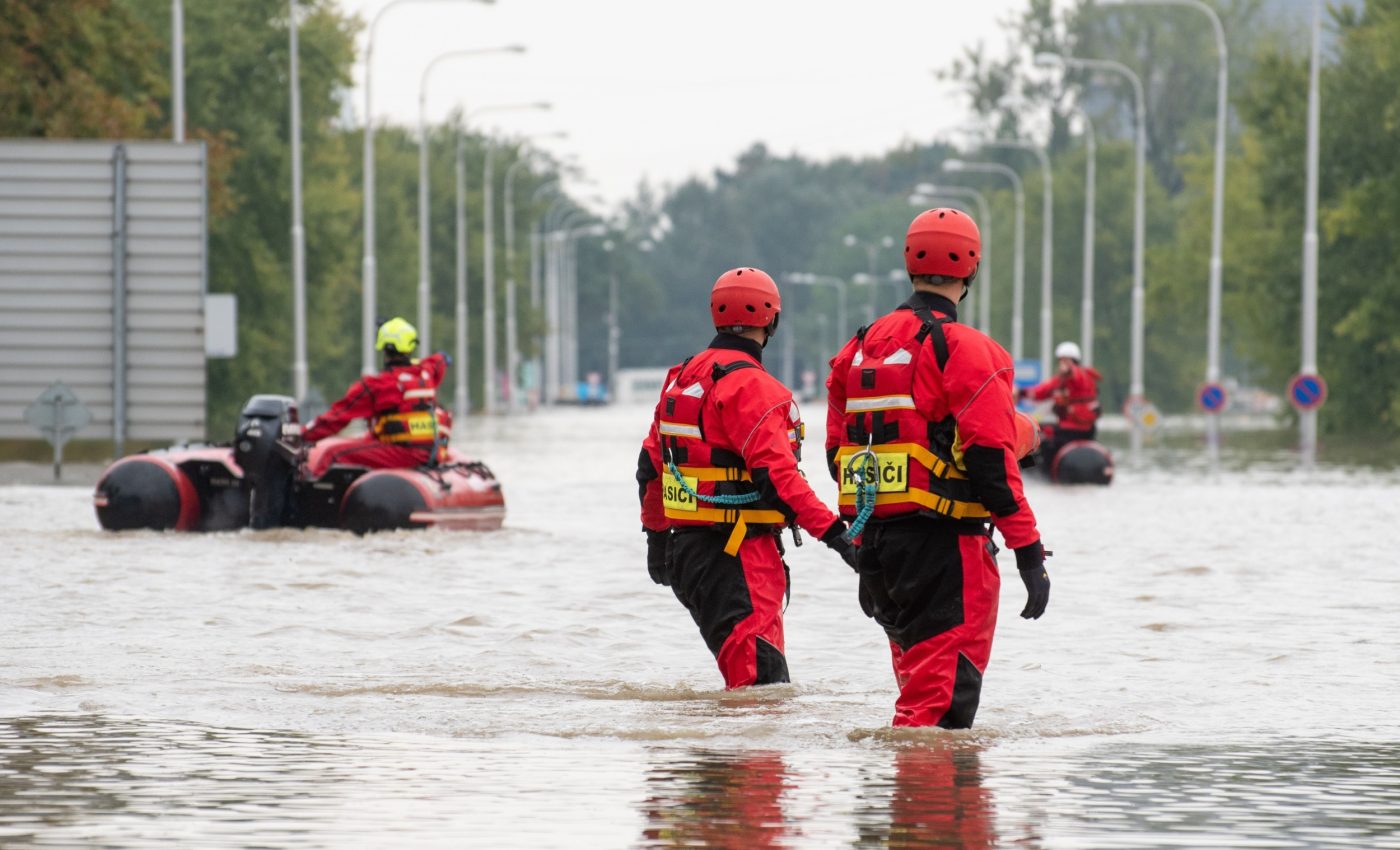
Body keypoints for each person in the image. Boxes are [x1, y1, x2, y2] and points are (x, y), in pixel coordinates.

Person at [825, 208, 1051, 729]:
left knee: (918, 698)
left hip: (878, 549)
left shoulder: (856, 350)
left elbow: (840, 456)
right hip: (946, 551)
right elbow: (990, 461)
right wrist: (1028, 551)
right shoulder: (968, 349)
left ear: (909, 264)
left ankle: (906, 786)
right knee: (938, 715)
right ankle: (928, 786)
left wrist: (867, 544)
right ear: (971, 269)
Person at [637, 267, 858, 690]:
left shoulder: (682, 377)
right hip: (738, 556)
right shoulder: (753, 388)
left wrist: (657, 540)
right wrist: (838, 537)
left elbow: (650, 466)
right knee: (760, 691)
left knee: (754, 691)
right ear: (772, 320)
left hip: (689, 555)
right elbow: (780, 481)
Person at [302, 317, 452, 478]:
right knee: (363, 442)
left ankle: (308, 493)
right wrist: (444, 357)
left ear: (383, 347)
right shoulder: (426, 372)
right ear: (410, 346)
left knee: (333, 455)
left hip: (404, 453)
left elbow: (336, 418)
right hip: (431, 453)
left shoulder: (379, 385)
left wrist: (302, 435)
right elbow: (439, 360)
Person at [1020, 340, 1102, 462]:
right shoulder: (1060, 381)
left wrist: (1070, 369)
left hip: (1078, 429)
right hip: (1068, 428)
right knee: (1034, 429)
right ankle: (1031, 466)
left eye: (1066, 361)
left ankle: (1038, 466)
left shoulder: (1083, 376)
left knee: (1038, 432)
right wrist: (1021, 393)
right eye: (1062, 361)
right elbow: (1040, 392)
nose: (1062, 364)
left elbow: (1076, 375)